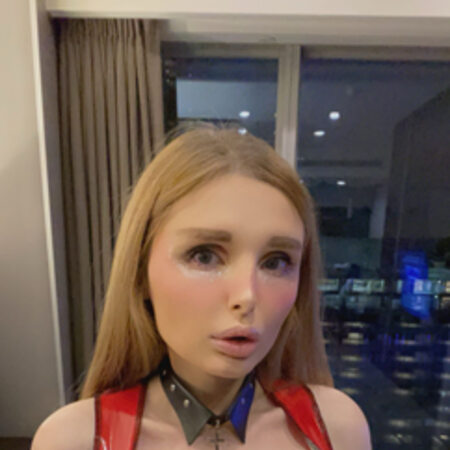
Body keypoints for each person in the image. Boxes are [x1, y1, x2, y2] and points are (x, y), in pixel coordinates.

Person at [32, 123, 372, 449]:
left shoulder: (336, 427)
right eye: (204, 256)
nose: (247, 296)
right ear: (140, 272)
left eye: (276, 262)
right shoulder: (74, 440)